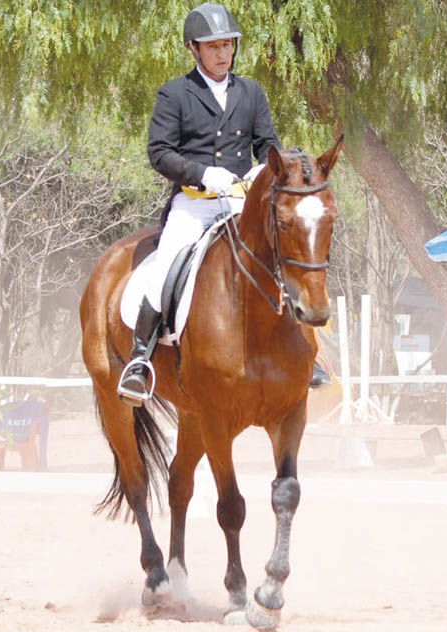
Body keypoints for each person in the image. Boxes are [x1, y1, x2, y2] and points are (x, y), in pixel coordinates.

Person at [117, 3, 281, 404]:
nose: (223, 54)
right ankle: (140, 361)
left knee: (282, 261)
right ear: (193, 49)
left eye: (227, 45)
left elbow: (269, 145)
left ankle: (305, 357)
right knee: (165, 268)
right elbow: (160, 152)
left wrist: (264, 171)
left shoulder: (251, 92)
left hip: (241, 204)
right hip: (195, 204)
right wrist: (203, 174)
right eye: (213, 47)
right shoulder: (175, 93)